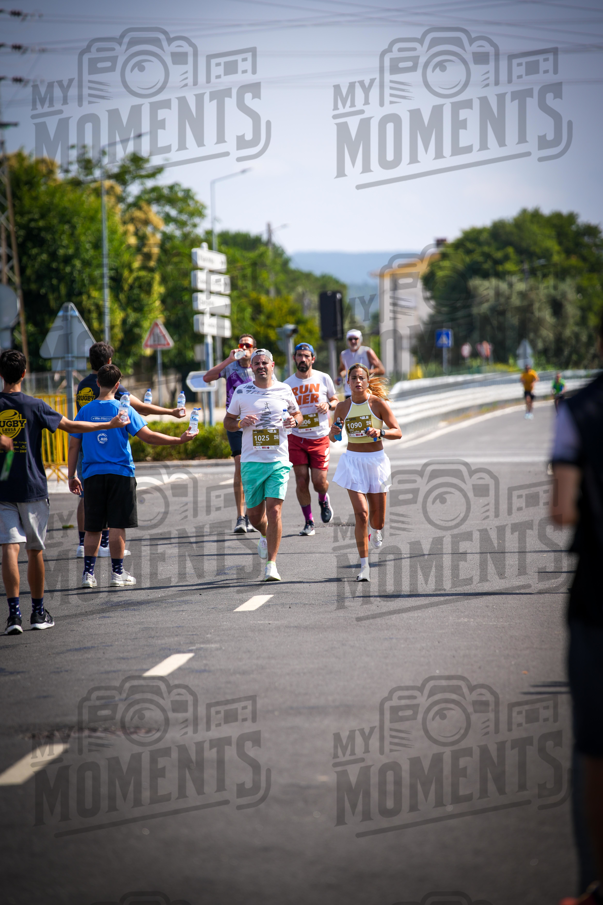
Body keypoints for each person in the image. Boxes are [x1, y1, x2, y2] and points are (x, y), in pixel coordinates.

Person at [0, 350, 128, 635]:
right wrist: (109, 424)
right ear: (23, 374)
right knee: (34, 552)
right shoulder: (35, 406)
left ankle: (13, 616)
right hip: (31, 488)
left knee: (8, 548)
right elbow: (72, 427)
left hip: (2, 488)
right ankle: (36, 613)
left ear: (1, 374)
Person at [551, 334, 603, 905]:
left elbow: (561, 511)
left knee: (594, 748)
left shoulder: (576, 410)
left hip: (597, 596)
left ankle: (595, 883)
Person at [69, 364, 196, 589]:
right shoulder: (124, 409)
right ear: (118, 386)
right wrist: (179, 440)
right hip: (121, 474)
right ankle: (117, 574)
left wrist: (72, 475)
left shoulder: (84, 411)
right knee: (117, 524)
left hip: (92, 475)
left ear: (97, 383)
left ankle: (88, 574)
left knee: (93, 527)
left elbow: (74, 445)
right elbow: (149, 437)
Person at [74, 341, 186, 559]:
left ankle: (82, 544)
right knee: (115, 514)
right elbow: (141, 409)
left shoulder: (83, 386)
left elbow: (74, 433)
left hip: (87, 449)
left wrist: (70, 473)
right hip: (114, 456)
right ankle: (107, 549)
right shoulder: (115, 387)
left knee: (87, 498)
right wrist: (171, 412)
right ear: (109, 362)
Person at [224, 349, 302, 582]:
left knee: (275, 511)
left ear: (272, 365)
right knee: (255, 517)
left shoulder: (284, 390)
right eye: (256, 363)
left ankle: (271, 564)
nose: (260, 366)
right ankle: (264, 534)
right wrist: (240, 422)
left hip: (278, 459)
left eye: (264, 362)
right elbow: (228, 422)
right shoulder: (242, 391)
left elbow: (297, 414)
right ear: (252, 367)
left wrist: (293, 420)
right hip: (251, 461)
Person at [329, 363, 401, 582]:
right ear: (348, 382)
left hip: (376, 462)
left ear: (367, 381)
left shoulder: (377, 404)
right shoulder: (342, 407)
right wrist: (333, 433)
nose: (358, 381)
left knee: (377, 520)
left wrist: (380, 432)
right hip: (353, 461)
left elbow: (397, 432)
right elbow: (334, 438)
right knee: (361, 514)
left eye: (362, 378)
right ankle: (364, 566)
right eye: (354, 378)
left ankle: (377, 530)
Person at [203, 333, 258, 535]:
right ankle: (240, 517)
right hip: (235, 423)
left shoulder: (259, 366)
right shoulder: (231, 367)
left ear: (253, 349)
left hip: (255, 424)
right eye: (241, 344)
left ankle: (253, 515)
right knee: (240, 466)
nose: (244, 347)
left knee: (254, 469)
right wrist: (228, 359)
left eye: (248, 345)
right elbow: (207, 377)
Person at [284, 342, 338, 535]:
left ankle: (323, 498)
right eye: (299, 355)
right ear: (294, 358)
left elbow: (335, 400)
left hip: (319, 436)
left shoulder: (323, 378)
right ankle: (309, 521)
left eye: (307, 356)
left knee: (319, 482)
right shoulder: (288, 384)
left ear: (313, 359)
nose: (303, 359)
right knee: (301, 481)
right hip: (296, 438)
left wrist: (328, 405)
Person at [338, 329, 385, 398]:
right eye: (350, 339)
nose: (353, 341)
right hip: (349, 391)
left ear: (360, 339)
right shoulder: (343, 354)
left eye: (355, 338)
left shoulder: (367, 351)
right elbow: (342, 369)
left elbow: (381, 370)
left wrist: (364, 373)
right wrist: (340, 376)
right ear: (347, 341)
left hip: (366, 390)